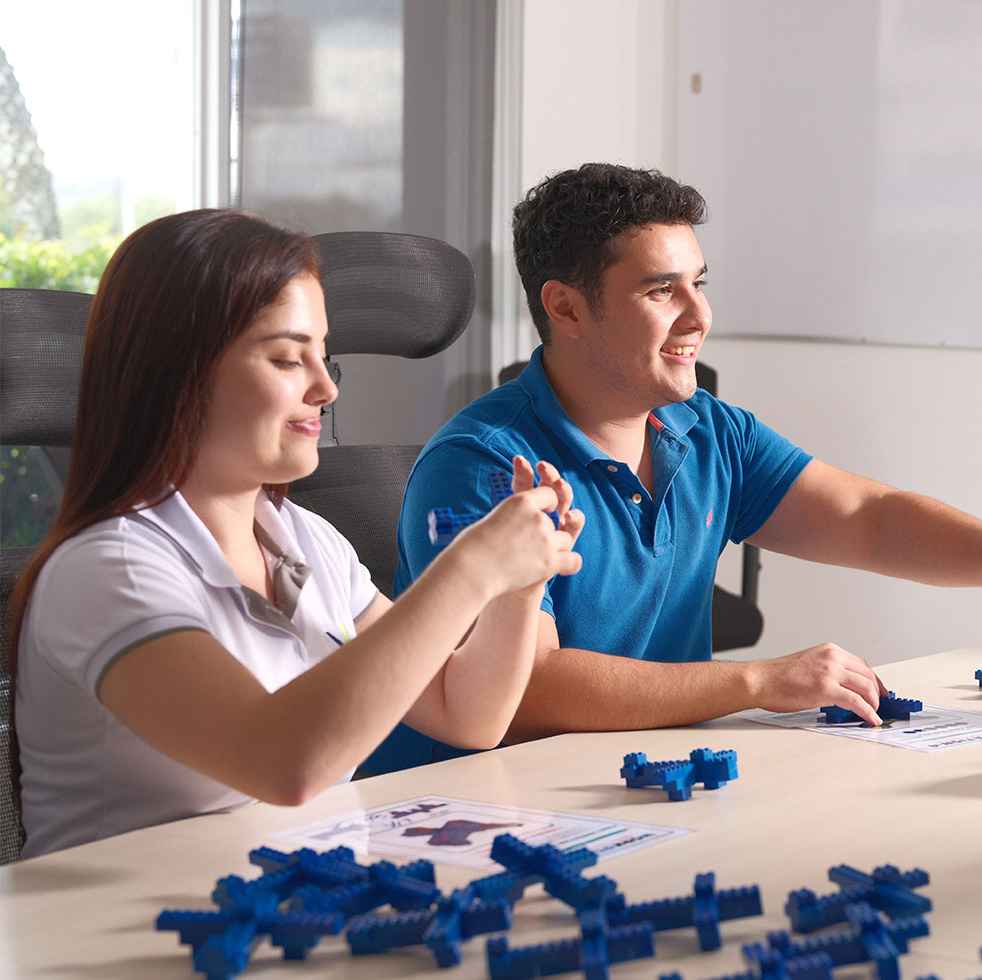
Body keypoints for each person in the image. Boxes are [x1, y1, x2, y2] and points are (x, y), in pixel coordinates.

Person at [372, 162, 982, 765]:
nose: (698, 317)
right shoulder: (484, 464)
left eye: (698, 284)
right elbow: (527, 691)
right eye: (661, 290)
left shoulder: (706, 431)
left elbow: (867, 520)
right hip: (473, 805)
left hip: (632, 783)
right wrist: (759, 682)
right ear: (565, 308)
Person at [6, 211, 586, 859]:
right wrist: (472, 567)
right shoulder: (108, 568)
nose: (325, 387)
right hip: (125, 944)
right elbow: (283, 763)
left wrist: (515, 589)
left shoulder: (307, 540)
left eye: (323, 355)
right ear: (179, 372)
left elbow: (465, 714)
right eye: (287, 358)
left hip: (294, 914)